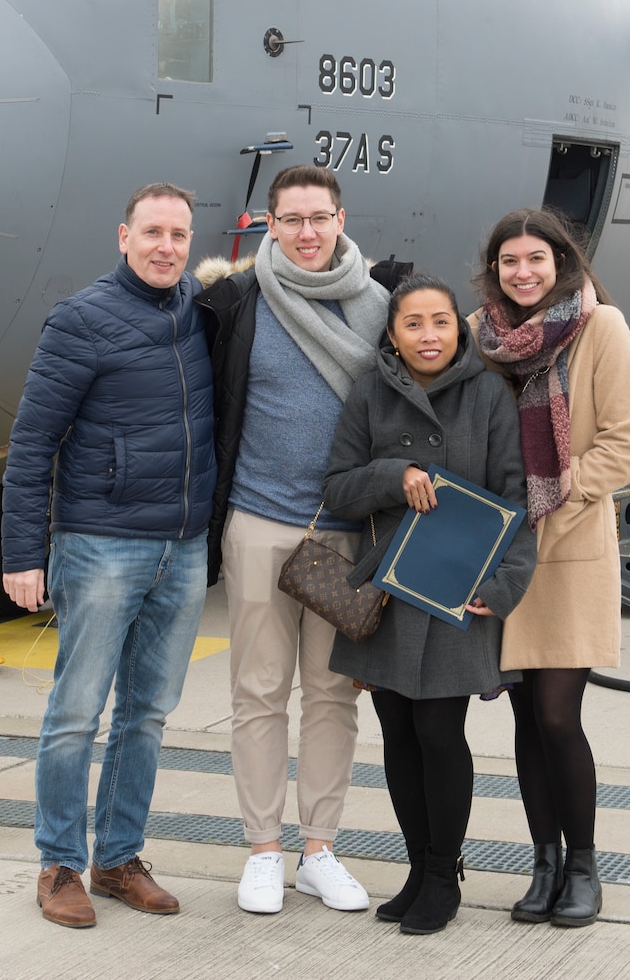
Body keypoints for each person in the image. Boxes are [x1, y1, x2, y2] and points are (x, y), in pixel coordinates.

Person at [0, 184, 217, 930]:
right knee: (76, 711)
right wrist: (23, 552)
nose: (166, 245)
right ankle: (59, 861)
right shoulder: (82, 319)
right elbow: (31, 443)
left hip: (183, 548)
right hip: (101, 544)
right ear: (123, 236)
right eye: (152, 231)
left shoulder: (200, 309)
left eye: (179, 233)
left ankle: (119, 856)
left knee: (148, 713)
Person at [192, 164, 399, 916]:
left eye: (320, 217)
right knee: (257, 693)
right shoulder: (240, 301)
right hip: (259, 522)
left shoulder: (382, 307)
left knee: (334, 696)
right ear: (269, 224)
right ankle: (262, 849)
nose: (307, 232)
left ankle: (319, 848)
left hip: (347, 534)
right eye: (292, 219)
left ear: (341, 218)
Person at [321, 274, 536, 935]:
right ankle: (417, 865)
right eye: (413, 323)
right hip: (388, 589)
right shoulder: (368, 393)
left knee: (440, 733)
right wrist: (395, 475)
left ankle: (444, 873)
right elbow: (337, 487)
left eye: (440, 321)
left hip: (456, 592)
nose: (429, 335)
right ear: (392, 333)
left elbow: (516, 498)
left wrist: (502, 588)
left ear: (458, 327)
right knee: (399, 736)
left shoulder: (489, 395)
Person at [472, 208, 630, 929]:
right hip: (504, 552)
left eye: (536, 259)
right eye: (510, 260)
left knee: (556, 715)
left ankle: (583, 864)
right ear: (495, 268)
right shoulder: (484, 337)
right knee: (522, 718)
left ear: (562, 262)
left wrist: (558, 494)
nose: (523, 271)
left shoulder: (599, 327)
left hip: (568, 546)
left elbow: (627, 440)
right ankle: (542, 862)